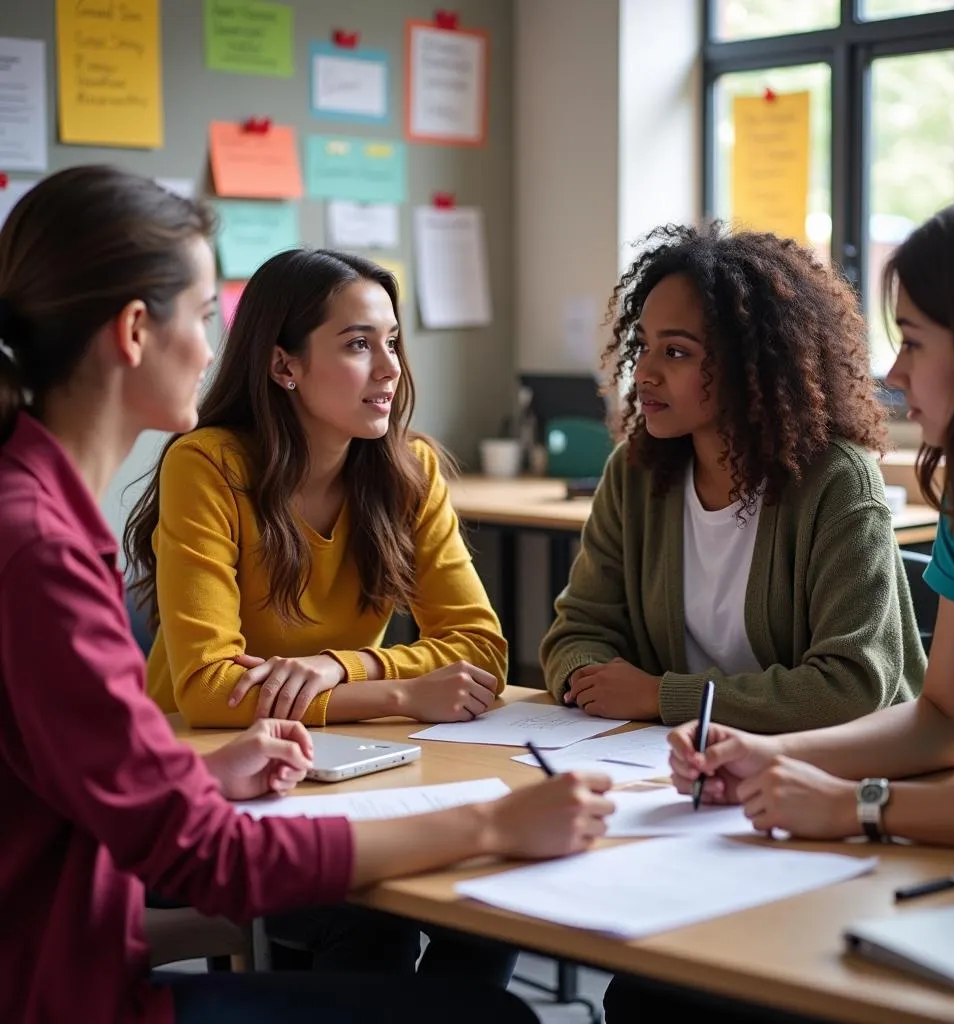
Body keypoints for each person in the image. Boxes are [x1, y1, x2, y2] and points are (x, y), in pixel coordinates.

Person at [0, 165, 614, 1024]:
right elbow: (207, 857)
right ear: (137, 331)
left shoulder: (35, 513)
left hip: (85, 954)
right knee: (481, 1009)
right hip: (72, 996)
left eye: (391, 341)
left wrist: (200, 772)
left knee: (438, 962)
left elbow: (68, 772)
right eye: (207, 314)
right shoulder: (41, 545)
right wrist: (487, 825)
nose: (214, 346)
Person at [669, 186, 954, 854]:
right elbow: (948, 720)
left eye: (913, 343)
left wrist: (863, 806)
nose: (894, 372)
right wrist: (770, 754)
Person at [540, 222, 927, 732]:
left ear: (753, 366)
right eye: (644, 346)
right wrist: (589, 679)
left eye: (675, 352)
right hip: (685, 765)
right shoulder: (634, 473)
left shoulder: (836, 481)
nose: (644, 372)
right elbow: (579, 629)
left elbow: (851, 686)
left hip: (863, 776)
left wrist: (664, 696)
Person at [125, 247, 505, 732]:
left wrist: (341, 667)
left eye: (392, 341)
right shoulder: (207, 465)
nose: (390, 368)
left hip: (342, 743)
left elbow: (482, 650)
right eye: (358, 345)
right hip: (203, 749)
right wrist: (400, 692)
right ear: (284, 366)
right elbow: (209, 691)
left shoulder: (411, 468)